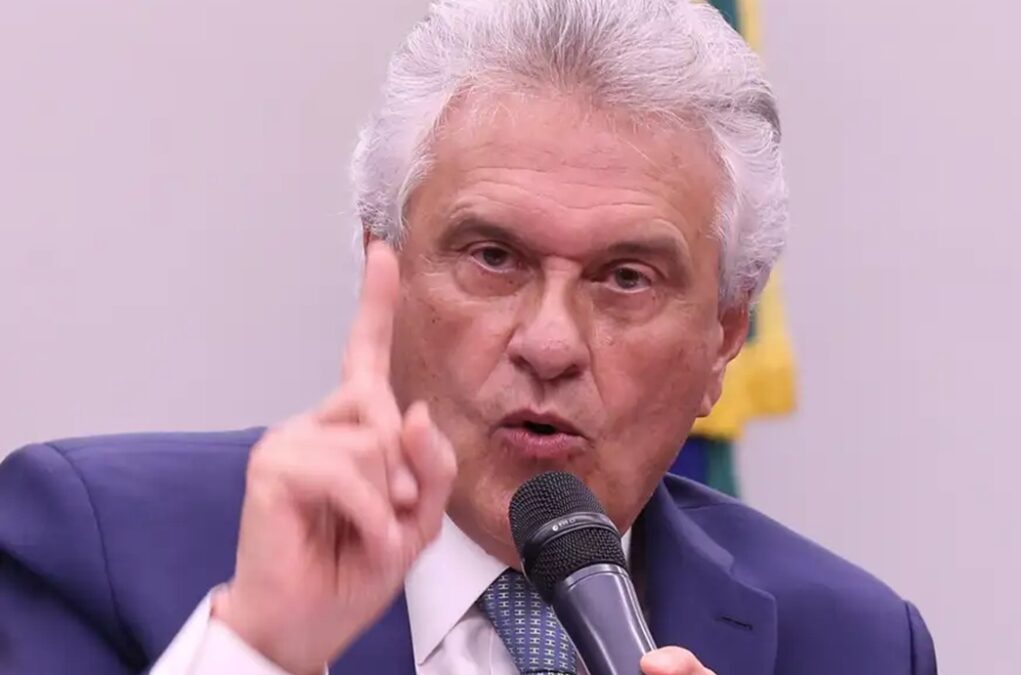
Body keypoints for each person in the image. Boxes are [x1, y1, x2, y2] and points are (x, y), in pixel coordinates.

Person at [0, 1, 936, 673]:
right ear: (384, 267)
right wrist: (260, 653)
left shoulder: (854, 643)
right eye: (494, 257)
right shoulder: (96, 545)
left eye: (626, 278)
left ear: (726, 336)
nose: (550, 343)